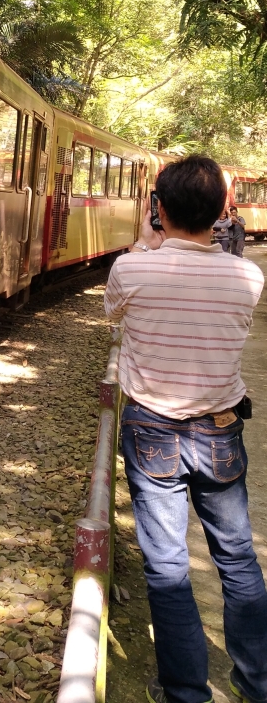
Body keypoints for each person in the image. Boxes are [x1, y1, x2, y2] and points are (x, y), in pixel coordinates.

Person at [104, 155, 267, 703]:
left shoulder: (132, 268)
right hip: (220, 431)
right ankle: (256, 682)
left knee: (168, 565)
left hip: (153, 432)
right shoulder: (248, 274)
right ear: (223, 212)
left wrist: (146, 245)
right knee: (238, 559)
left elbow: (112, 313)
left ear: (158, 208)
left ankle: (185, 691)